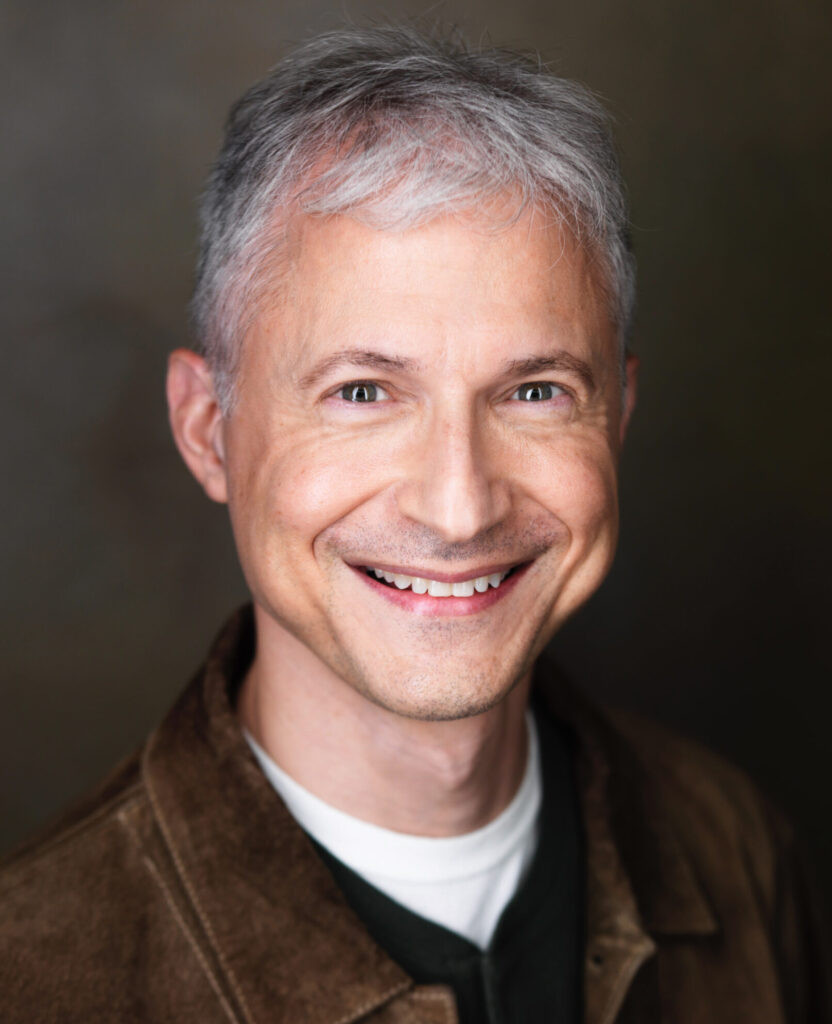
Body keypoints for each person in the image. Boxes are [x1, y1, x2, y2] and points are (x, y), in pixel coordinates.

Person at [1, 24, 828, 1024]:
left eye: (533, 391)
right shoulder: (35, 973)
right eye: (361, 391)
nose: (457, 505)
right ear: (209, 430)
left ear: (618, 414)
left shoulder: (735, 849)